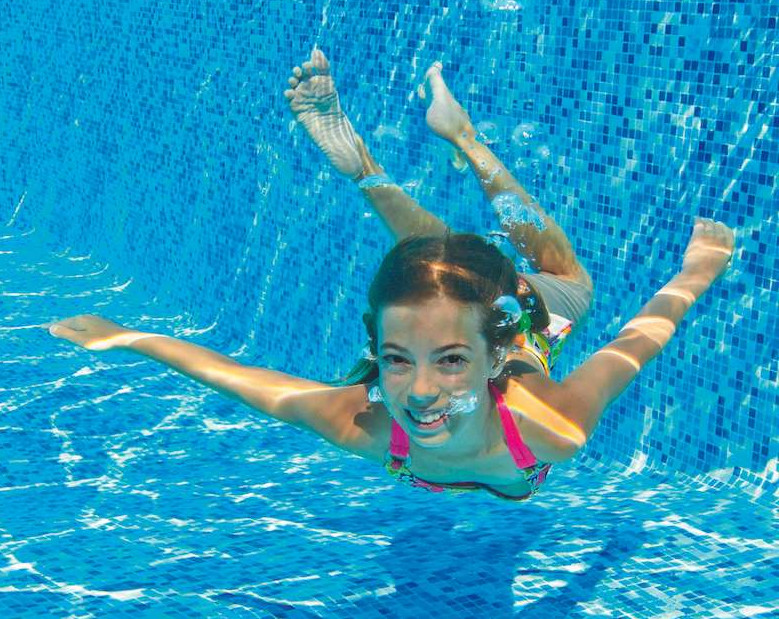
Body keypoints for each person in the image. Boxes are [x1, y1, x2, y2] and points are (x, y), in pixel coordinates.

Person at [45, 51, 735, 502]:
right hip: (487, 319)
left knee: (556, 280)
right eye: (397, 360)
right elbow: (238, 378)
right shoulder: (376, 426)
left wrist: (695, 273)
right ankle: (412, 157)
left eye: (451, 361)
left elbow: (637, 342)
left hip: (519, 318)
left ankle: (444, 148)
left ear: (491, 357)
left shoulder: (547, 423)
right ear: (377, 351)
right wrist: (126, 337)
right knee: (445, 276)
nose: (420, 391)